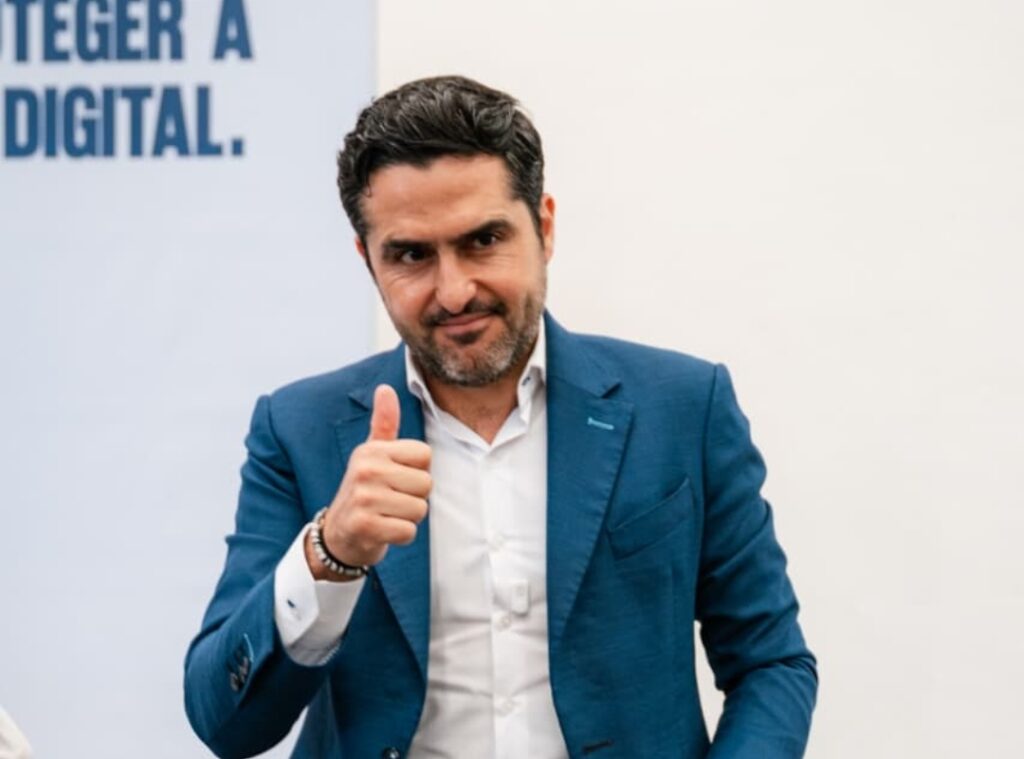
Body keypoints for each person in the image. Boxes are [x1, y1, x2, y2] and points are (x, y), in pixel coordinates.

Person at [183, 75, 817, 759]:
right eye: (411, 255)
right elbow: (224, 722)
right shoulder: (297, 430)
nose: (455, 291)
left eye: (483, 240)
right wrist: (328, 554)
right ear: (367, 259)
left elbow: (770, 662)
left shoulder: (684, 406)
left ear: (544, 227)